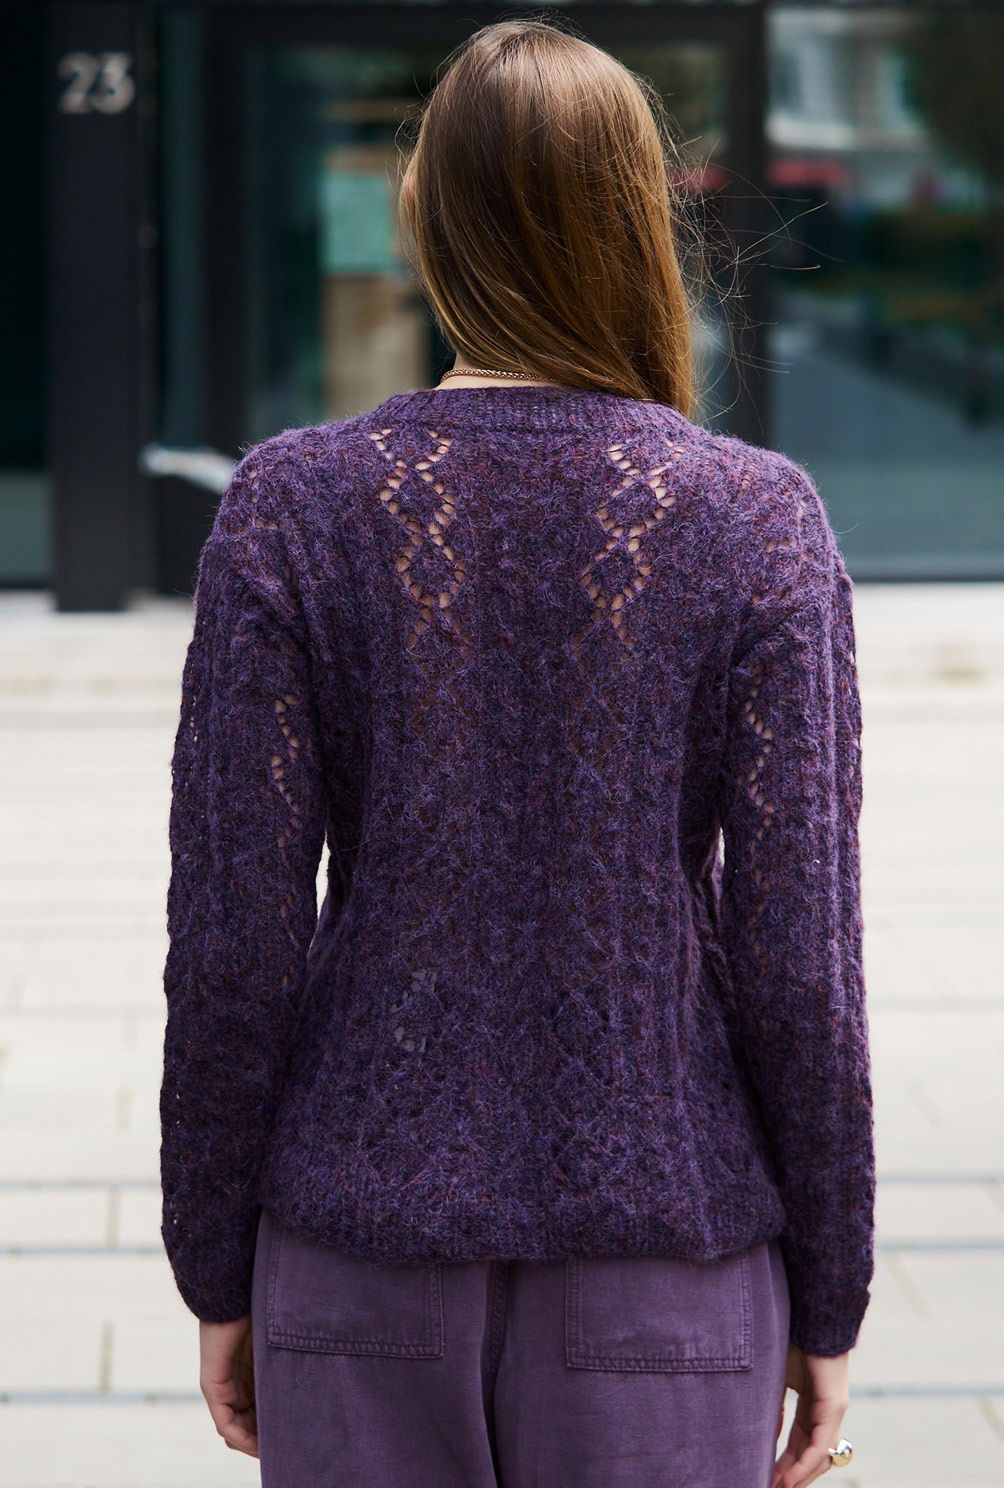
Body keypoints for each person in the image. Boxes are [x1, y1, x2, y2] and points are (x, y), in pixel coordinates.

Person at [159, 17, 875, 1488]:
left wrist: (215, 1265)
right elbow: (801, 960)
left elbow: (233, 941)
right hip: (668, 1267)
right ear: (640, 220)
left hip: (353, 1257)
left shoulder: (292, 506)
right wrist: (833, 1290)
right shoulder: (756, 519)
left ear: (423, 214)